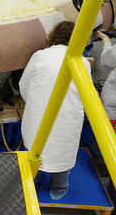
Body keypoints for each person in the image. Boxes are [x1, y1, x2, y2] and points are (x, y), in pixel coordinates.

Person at [19, 21, 90, 200]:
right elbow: (86, 94)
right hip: (68, 120)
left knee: (35, 153)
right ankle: (59, 187)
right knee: (61, 155)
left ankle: (33, 181)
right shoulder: (83, 62)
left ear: (54, 36)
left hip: (39, 118)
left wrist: (35, 102)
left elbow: (24, 86)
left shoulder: (40, 56)